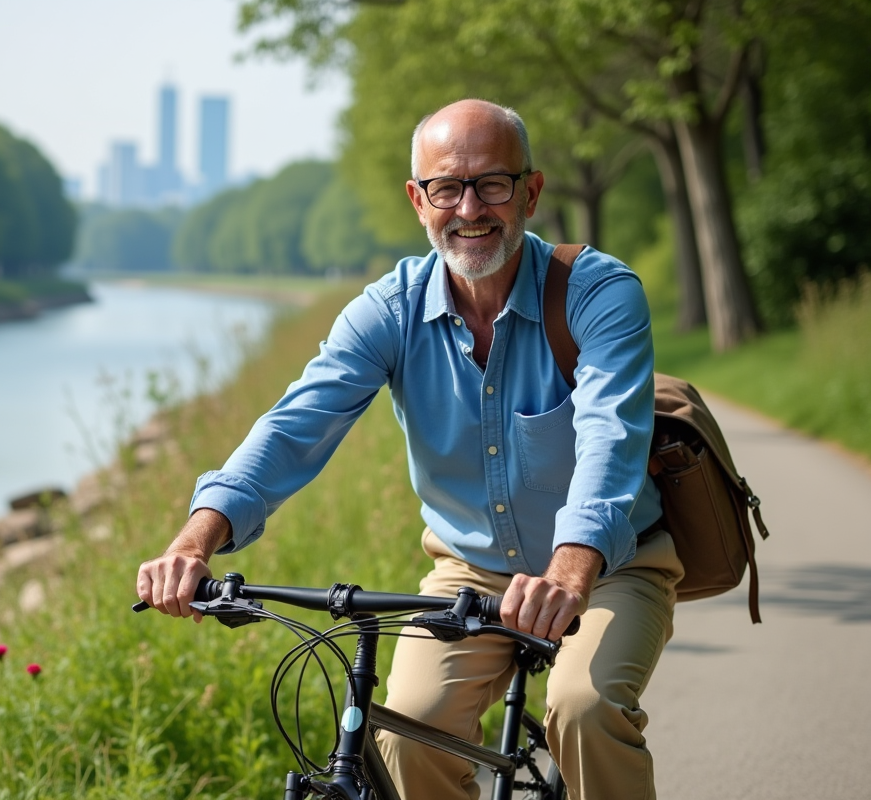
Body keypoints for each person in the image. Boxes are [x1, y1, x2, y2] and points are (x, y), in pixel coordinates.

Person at [135, 99, 682, 800]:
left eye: (492, 183)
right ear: (417, 200)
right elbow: (294, 425)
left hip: (609, 566)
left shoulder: (599, 293)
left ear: (532, 192)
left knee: (586, 707)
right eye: (446, 188)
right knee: (403, 732)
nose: (469, 208)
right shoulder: (388, 310)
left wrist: (573, 567)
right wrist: (194, 541)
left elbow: (611, 435)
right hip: (471, 572)